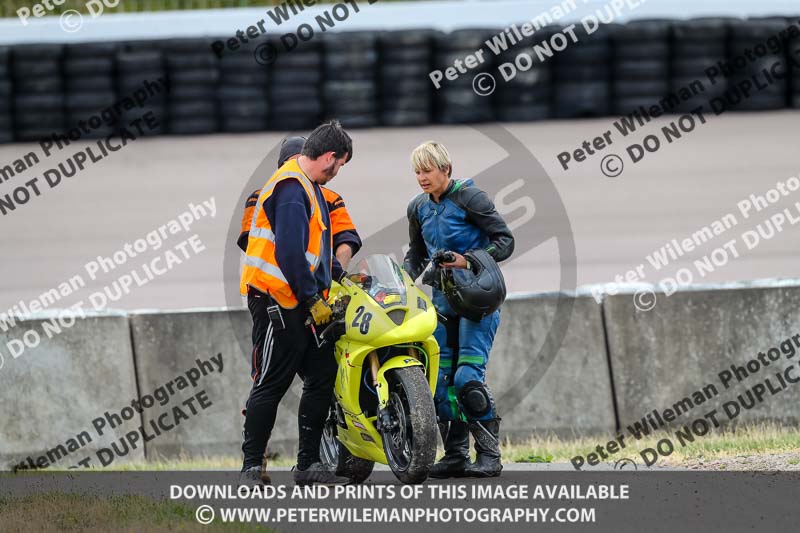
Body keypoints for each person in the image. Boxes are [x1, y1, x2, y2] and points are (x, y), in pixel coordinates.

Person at [239, 121, 353, 487]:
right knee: (272, 382)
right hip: (278, 302)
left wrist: (339, 278)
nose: (337, 173)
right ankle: (251, 468)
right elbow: (289, 254)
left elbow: (315, 250)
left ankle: (308, 464)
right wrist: (310, 299)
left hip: (304, 302)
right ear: (330, 157)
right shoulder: (290, 187)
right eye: (340, 165)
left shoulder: (311, 188)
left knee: (321, 376)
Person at [403, 141, 514, 478]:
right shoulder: (418, 207)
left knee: (467, 378)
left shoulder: (470, 198)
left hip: (477, 301)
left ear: (446, 170)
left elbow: (505, 241)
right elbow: (417, 253)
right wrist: (401, 280)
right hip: (441, 302)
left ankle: (490, 456)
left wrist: (468, 260)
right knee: (439, 384)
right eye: (417, 172)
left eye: (427, 170)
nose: (422, 177)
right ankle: (455, 456)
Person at [239, 136, 362, 269]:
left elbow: (346, 238)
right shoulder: (258, 198)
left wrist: (335, 276)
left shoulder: (330, 199)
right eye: (291, 163)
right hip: (269, 281)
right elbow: (250, 241)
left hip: (313, 280)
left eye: (299, 162)